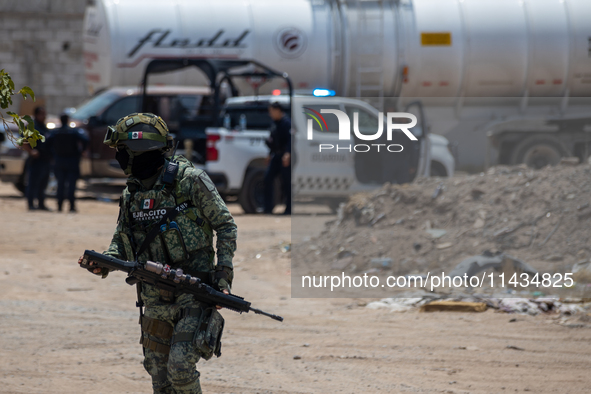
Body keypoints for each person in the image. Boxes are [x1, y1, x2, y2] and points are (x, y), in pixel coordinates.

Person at [82, 113, 237, 394]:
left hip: (194, 290)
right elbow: (122, 239)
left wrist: (223, 276)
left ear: (139, 151)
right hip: (153, 296)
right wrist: (104, 262)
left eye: (122, 151)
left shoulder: (191, 181)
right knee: (159, 375)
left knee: (180, 369)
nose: (119, 158)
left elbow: (225, 225)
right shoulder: (132, 193)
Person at [46, 113, 89, 212]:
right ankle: (71, 206)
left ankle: (59, 206)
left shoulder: (55, 132)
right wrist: (83, 151)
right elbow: (86, 140)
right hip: (72, 161)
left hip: (59, 161)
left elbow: (47, 142)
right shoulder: (74, 131)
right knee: (71, 185)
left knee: (60, 184)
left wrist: (52, 154)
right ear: (68, 120)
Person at [263, 102, 292, 214]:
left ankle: (289, 208)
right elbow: (273, 140)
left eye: (272, 111)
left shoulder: (286, 123)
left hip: (286, 155)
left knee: (287, 182)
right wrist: (269, 154)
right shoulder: (274, 123)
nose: (270, 114)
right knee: (268, 178)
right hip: (276, 155)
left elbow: (291, 140)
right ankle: (268, 207)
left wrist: (288, 154)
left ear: (278, 110)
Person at [24, 106, 52, 211]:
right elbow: (23, 141)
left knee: (43, 183)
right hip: (35, 160)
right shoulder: (31, 127)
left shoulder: (44, 127)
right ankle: (31, 204)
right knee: (32, 183)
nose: (44, 116)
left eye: (45, 114)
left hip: (45, 159)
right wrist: (31, 151)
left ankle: (41, 204)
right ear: (36, 115)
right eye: (42, 114)